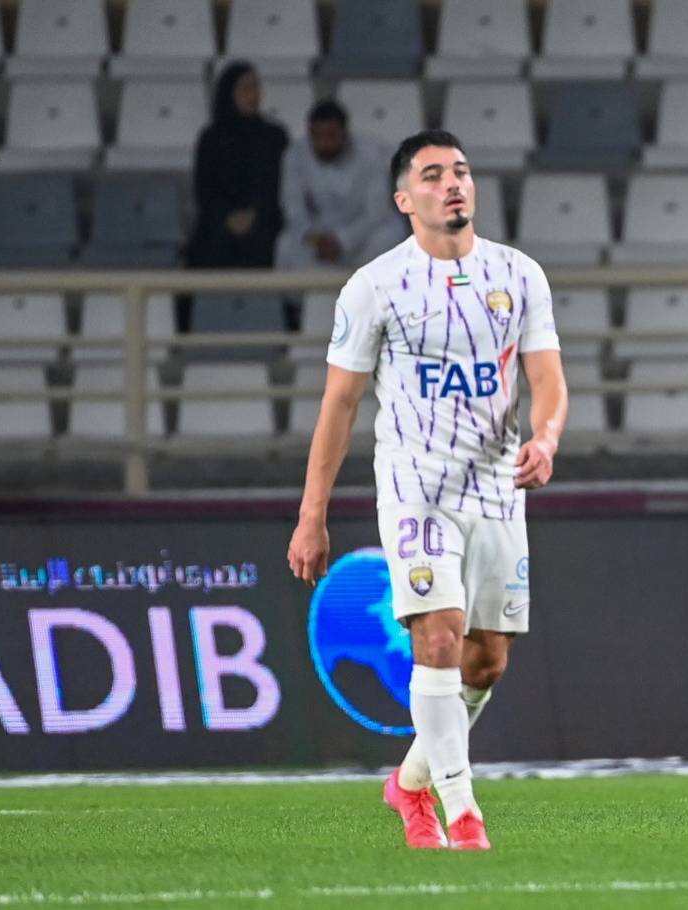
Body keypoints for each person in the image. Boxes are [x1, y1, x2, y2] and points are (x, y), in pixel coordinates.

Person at [287, 130, 569, 850]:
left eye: (463, 172)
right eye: (434, 174)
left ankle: (408, 783)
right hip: (416, 488)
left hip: (498, 487)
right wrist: (311, 515)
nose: (454, 184)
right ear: (403, 199)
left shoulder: (520, 276)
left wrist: (547, 437)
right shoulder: (375, 286)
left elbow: (547, 380)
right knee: (437, 635)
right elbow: (340, 406)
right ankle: (461, 812)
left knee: (486, 659)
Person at [275, 100, 408, 270]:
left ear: (344, 133)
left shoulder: (372, 154)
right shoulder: (295, 156)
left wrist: (342, 240)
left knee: (389, 237)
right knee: (285, 245)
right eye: (317, 137)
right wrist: (317, 239)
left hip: (364, 233)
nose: (324, 144)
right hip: (320, 236)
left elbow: (376, 211)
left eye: (330, 136)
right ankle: (306, 294)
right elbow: (293, 209)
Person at [187, 62, 289, 273]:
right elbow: (204, 189)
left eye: (256, 87)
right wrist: (227, 216)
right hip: (219, 221)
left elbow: (277, 185)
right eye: (245, 88)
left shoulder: (275, 137)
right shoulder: (211, 138)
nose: (253, 94)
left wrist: (255, 213)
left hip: (264, 219)